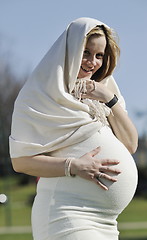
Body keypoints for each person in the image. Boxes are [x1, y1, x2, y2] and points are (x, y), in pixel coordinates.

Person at [9, 17, 138, 240]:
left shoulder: (103, 97)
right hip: (67, 213)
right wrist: (74, 166)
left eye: (99, 55)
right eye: (86, 52)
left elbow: (130, 145)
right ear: (69, 52)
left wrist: (108, 98)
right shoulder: (39, 96)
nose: (92, 62)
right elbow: (20, 161)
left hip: (107, 222)